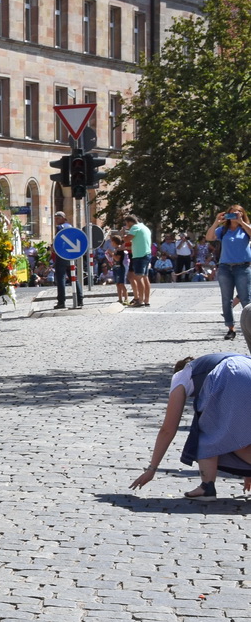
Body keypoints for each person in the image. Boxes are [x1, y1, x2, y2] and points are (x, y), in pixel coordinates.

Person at [130, 354, 251, 501]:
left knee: (207, 430)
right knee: (238, 442)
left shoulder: (181, 376)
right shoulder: (208, 364)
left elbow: (168, 429)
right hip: (247, 366)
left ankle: (207, 487)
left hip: (229, 373)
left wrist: (152, 468)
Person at [206, 205, 251, 343]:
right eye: (231, 213)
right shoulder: (223, 230)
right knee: (227, 300)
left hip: (242, 267)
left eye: (238, 212)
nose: (234, 215)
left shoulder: (245, 228)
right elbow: (209, 237)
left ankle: (249, 326)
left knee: (246, 299)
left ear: (242, 214)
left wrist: (241, 222)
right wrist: (216, 222)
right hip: (225, 267)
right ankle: (231, 328)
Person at [126, 214, 153, 308]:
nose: (127, 226)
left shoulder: (135, 227)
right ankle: (147, 300)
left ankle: (140, 300)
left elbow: (127, 239)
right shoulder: (145, 227)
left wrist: (122, 234)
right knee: (145, 277)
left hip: (139, 255)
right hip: (147, 254)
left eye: (127, 224)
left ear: (130, 222)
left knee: (139, 277)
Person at [53, 212, 76, 309]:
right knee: (73, 277)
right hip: (71, 255)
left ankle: (61, 302)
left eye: (58, 218)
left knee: (61, 278)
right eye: (55, 218)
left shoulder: (59, 228)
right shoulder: (70, 226)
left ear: (63, 218)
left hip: (61, 255)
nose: (56, 220)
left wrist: (53, 249)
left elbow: (58, 242)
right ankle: (80, 299)